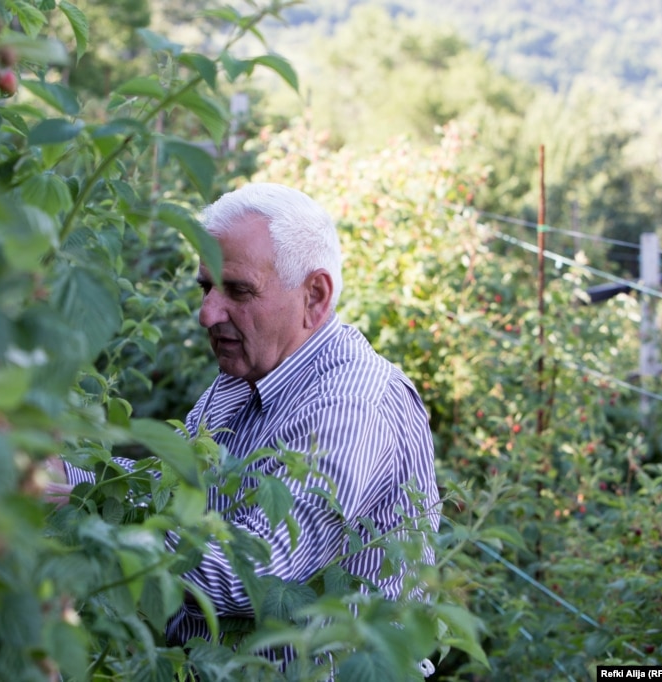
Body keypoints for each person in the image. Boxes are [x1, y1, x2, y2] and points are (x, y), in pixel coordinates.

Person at [52, 182, 440, 675]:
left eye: (237, 290)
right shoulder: (243, 375)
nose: (207, 313)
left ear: (314, 297)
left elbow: (256, 572)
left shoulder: (352, 406)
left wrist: (89, 515)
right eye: (205, 287)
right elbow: (172, 494)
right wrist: (71, 476)